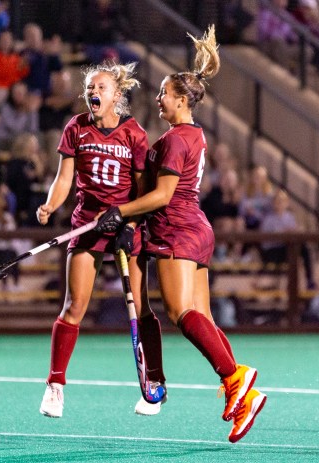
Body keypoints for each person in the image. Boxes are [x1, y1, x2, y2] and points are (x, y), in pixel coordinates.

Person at [92, 26, 266, 443]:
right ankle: (239, 390)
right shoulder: (193, 136)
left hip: (176, 228)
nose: (158, 99)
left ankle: (235, 377)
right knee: (200, 315)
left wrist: (119, 213)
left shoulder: (174, 141)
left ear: (182, 100)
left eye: (165, 94)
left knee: (181, 314)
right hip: (193, 226)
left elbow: (163, 194)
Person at [35, 60, 166, 418]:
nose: (93, 92)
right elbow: (64, 179)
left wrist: (129, 224)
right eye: (90, 87)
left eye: (101, 87)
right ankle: (55, 386)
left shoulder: (134, 134)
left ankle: (153, 384)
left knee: (141, 310)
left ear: (117, 95)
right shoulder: (76, 128)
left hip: (126, 225)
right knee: (74, 307)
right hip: (88, 226)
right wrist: (49, 205)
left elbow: (142, 189)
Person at [260, 189, 317, 289]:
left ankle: (310, 280)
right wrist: (283, 232)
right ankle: (290, 286)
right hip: (273, 251)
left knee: (304, 248)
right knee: (292, 252)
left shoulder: (290, 217)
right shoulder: (268, 219)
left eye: (282, 201)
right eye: (277, 201)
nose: (279, 204)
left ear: (286, 203)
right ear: (273, 203)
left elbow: (293, 233)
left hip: (287, 249)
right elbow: (266, 241)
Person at [0, 30, 29, 106]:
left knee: (22, 93)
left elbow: (24, 73)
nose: (6, 41)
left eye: (8, 39)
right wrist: (14, 72)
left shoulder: (17, 57)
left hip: (13, 89)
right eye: (3, 39)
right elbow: (1, 72)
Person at [0, 81, 40, 150]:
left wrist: (32, 112)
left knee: (38, 139)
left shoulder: (29, 108)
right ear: (11, 94)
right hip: (4, 140)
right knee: (24, 143)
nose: (19, 96)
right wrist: (23, 112)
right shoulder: (5, 108)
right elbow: (15, 129)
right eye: (16, 93)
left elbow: (34, 130)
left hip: (23, 140)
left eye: (22, 93)